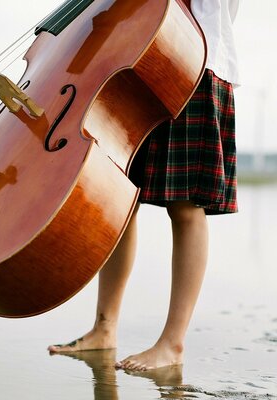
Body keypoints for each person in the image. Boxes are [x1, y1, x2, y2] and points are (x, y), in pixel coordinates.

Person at [47, 0, 240, 371]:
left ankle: (173, 343)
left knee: (186, 206)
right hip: (136, 58)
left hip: (192, 58)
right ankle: (104, 329)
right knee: (121, 197)